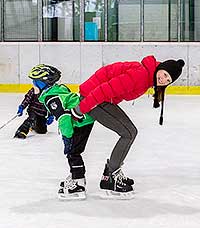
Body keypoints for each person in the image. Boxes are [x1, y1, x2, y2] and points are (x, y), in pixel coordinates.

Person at [73, 55, 185, 198]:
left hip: (99, 98)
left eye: (168, 80)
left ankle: (111, 173)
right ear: (160, 68)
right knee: (129, 133)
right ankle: (111, 176)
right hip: (93, 98)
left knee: (130, 132)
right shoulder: (141, 75)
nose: (163, 80)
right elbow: (105, 89)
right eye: (164, 74)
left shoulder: (148, 75)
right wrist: (81, 108)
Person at [28, 64, 95, 200]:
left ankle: (78, 183)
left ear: (43, 83)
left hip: (80, 122)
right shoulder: (57, 90)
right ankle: (77, 177)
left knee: (72, 152)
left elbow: (64, 118)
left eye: (35, 82)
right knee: (75, 151)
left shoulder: (50, 97)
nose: (33, 85)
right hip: (85, 118)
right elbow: (65, 102)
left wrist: (67, 137)